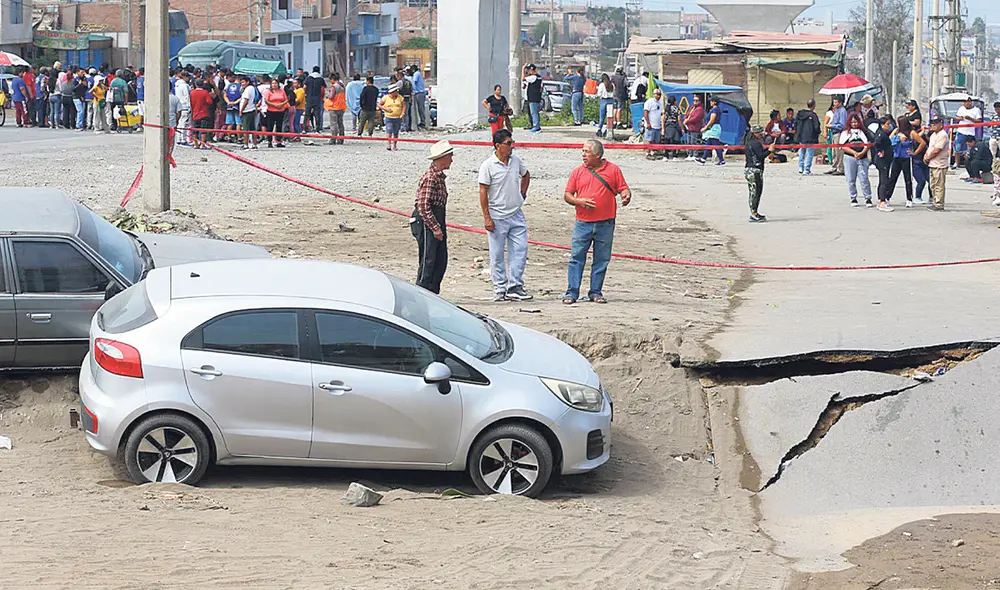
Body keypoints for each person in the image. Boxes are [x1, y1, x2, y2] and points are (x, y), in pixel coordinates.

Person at [562, 139, 631, 305]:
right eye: (583, 151)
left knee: (601, 259)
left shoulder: (613, 170)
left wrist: (626, 195)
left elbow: (623, 187)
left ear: (598, 155)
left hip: (606, 223)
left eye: (587, 152)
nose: (583, 155)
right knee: (576, 258)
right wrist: (579, 201)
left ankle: (595, 292)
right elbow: (567, 195)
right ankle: (572, 292)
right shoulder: (577, 172)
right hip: (583, 222)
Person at [478, 129, 533, 302]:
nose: (512, 146)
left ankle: (515, 286)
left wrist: (522, 193)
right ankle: (500, 287)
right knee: (497, 254)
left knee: (520, 250)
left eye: (512, 143)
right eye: (508, 143)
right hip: (497, 215)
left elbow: (526, 175)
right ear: (498, 146)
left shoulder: (516, 161)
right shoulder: (488, 165)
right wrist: (487, 217)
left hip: (516, 213)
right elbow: (483, 191)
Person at [412, 140, 455, 294]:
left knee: (439, 258)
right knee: (429, 259)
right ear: (442, 158)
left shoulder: (437, 177)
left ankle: (431, 291)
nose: (452, 159)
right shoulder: (431, 178)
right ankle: (423, 290)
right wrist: (435, 227)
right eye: (449, 156)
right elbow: (423, 206)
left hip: (434, 218)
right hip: (428, 220)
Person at [886, 116, 922, 207]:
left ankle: (909, 199)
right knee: (893, 178)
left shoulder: (911, 132)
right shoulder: (897, 131)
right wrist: (896, 134)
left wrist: (914, 152)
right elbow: (889, 139)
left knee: (908, 179)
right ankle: (887, 197)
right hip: (896, 157)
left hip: (906, 157)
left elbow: (922, 143)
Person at [744, 125, 776, 222]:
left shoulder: (748, 143)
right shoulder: (756, 144)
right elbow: (761, 156)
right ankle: (754, 213)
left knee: (752, 192)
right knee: (756, 193)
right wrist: (769, 150)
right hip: (755, 170)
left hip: (748, 170)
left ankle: (754, 212)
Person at [841, 114, 874, 207]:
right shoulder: (845, 133)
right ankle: (853, 197)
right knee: (850, 179)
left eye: (855, 122)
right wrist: (854, 153)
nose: (854, 124)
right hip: (850, 158)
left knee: (864, 179)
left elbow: (868, 144)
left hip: (862, 158)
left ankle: (868, 198)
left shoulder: (863, 132)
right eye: (852, 122)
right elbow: (843, 146)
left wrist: (862, 153)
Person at [924, 117, 950, 211]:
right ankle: (935, 201)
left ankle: (939, 204)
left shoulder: (942, 135)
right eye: (932, 123)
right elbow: (930, 147)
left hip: (940, 163)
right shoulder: (934, 135)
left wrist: (928, 157)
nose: (933, 125)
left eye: (935, 123)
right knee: (933, 184)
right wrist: (925, 156)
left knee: (939, 185)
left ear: (941, 124)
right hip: (932, 163)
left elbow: (937, 150)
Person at [872, 116, 895, 212]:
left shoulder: (884, 133)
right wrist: (880, 151)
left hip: (887, 160)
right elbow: (877, 143)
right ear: (882, 125)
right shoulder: (881, 134)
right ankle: (882, 201)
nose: (889, 126)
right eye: (887, 124)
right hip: (883, 161)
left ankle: (881, 199)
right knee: (884, 181)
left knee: (883, 180)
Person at [953, 96, 982, 169]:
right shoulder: (961, 108)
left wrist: (970, 119)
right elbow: (956, 117)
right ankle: (956, 163)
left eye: (969, 102)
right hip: (961, 131)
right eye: (966, 102)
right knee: (957, 148)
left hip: (970, 132)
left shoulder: (976, 110)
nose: (968, 103)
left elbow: (979, 121)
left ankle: (969, 164)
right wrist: (961, 118)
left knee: (970, 150)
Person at [794, 99, 821, 175]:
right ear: (814, 106)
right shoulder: (813, 115)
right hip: (811, 138)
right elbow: (816, 127)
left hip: (801, 137)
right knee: (810, 154)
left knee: (802, 152)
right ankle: (807, 169)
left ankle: (800, 167)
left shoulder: (800, 114)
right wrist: (817, 133)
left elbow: (795, 124)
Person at [263, 78, 289, 148]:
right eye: (273, 83)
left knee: (279, 126)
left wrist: (281, 104)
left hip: (280, 111)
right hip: (271, 111)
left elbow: (286, 99)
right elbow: (266, 100)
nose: (274, 85)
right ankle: (269, 141)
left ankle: (278, 141)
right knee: (270, 127)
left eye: (275, 83)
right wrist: (274, 105)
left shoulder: (282, 91)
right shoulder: (268, 91)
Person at [379, 83, 405, 151]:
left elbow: (404, 106)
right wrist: (385, 109)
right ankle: (388, 144)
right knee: (389, 130)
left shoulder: (400, 97)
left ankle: (395, 145)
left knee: (396, 132)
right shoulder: (385, 97)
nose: (397, 92)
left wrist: (402, 113)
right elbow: (379, 105)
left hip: (397, 117)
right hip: (389, 117)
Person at [237, 75, 261, 150]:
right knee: (252, 128)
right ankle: (254, 144)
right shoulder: (252, 88)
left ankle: (245, 144)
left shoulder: (247, 89)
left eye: (243, 82)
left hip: (247, 111)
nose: (242, 84)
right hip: (252, 110)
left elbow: (246, 101)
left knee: (245, 129)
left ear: (247, 82)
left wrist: (241, 110)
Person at [700, 95, 725, 166]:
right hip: (713, 128)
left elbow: (712, 120)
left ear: (714, 102)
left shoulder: (715, 110)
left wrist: (705, 127)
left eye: (711, 101)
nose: (710, 102)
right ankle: (703, 159)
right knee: (709, 144)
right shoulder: (715, 109)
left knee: (715, 145)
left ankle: (721, 160)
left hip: (714, 129)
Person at [825, 97, 848, 175]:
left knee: (839, 152)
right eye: (834, 102)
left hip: (839, 133)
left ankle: (840, 168)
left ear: (840, 103)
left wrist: (832, 126)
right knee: (834, 151)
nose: (834, 104)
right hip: (834, 133)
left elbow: (842, 124)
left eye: (836, 102)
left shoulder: (842, 111)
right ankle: (834, 166)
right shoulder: (836, 110)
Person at [910, 120, 931, 204]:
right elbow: (914, 142)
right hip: (916, 162)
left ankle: (932, 197)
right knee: (921, 181)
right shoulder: (912, 137)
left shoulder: (925, 138)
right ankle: (918, 197)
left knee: (931, 181)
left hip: (925, 162)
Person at [189, 80, 214, 149]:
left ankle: (195, 144)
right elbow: (209, 102)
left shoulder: (192, 93)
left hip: (195, 113)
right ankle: (202, 144)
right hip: (204, 113)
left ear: (196, 84)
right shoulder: (205, 92)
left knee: (195, 130)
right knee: (203, 129)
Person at [303, 65, 326, 132]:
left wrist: (305, 94)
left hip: (309, 98)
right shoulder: (320, 79)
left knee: (307, 114)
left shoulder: (308, 78)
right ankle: (317, 129)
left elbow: (304, 87)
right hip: (317, 98)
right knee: (317, 114)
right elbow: (324, 87)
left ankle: (304, 129)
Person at [643, 87, 664, 159]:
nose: (658, 96)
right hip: (651, 125)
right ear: (654, 94)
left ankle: (653, 153)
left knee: (656, 140)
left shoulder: (660, 103)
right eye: (657, 94)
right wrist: (648, 123)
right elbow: (645, 113)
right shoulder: (649, 102)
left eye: (659, 95)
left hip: (657, 125)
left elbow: (661, 114)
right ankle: (647, 153)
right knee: (649, 139)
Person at [683, 94, 705, 161]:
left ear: (700, 101)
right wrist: (685, 119)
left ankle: (695, 155)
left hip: (695, 127)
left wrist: (687, 121)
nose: (695, 101)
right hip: (689, 127)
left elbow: (696, 118)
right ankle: (690, 154)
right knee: (688, 141)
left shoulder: (700, 109)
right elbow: (687, 114)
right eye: (694, 100)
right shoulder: (692, 107)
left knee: (694, 141)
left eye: (696, 100)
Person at [522, 63, 543, 133]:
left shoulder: (533, 77)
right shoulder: (539, 77)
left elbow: (523, 78)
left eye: (528, 70)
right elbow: (541, 88)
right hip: (536, 97)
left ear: (531, 70)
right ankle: (534, 125)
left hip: (533, 98)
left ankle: (536, 126)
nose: (527, 71)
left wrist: (522, 69)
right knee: (533, 112)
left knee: (534, 113)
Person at [327, 73, 346, 145]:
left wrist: (328, 96)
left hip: (334, 107)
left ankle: (333, 139)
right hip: (341, 107)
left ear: (332, 79)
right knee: (340, 123)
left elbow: (331, 96)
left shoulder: (334, 87)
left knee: (334, 124)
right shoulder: (342, 85)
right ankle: (341, 139)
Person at [173, 71, 191, 144]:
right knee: (185, 123)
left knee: (180, 123)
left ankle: (178, 139)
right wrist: (189, 106)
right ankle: (183, 139)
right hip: (185, 106)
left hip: (179, 106)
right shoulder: (185, 86)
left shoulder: (177, 85)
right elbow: (187, 96)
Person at [409, 65, 428, 130]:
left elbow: (414, 82)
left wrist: (414, 90)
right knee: (419, 109)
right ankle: (421, 122)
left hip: (419, 93)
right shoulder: (417, 74)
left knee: (421, 108)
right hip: (419, 93)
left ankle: (423, 122)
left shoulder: (416, 74)